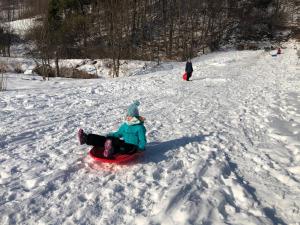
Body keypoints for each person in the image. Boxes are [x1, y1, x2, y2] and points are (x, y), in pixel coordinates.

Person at [78, 101, 147, 158]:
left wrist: (140, 149)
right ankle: (87, 138)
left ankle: (111, 150)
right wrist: (109, 136)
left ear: (135, 118)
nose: (128, 118)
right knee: (107, 140)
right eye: (128, 116)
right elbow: (118, 133)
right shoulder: (125, 125)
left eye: (130, 117)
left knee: (122, 147)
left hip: (134, 147)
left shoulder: (139, 127)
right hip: (124, 142)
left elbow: (142, 140)